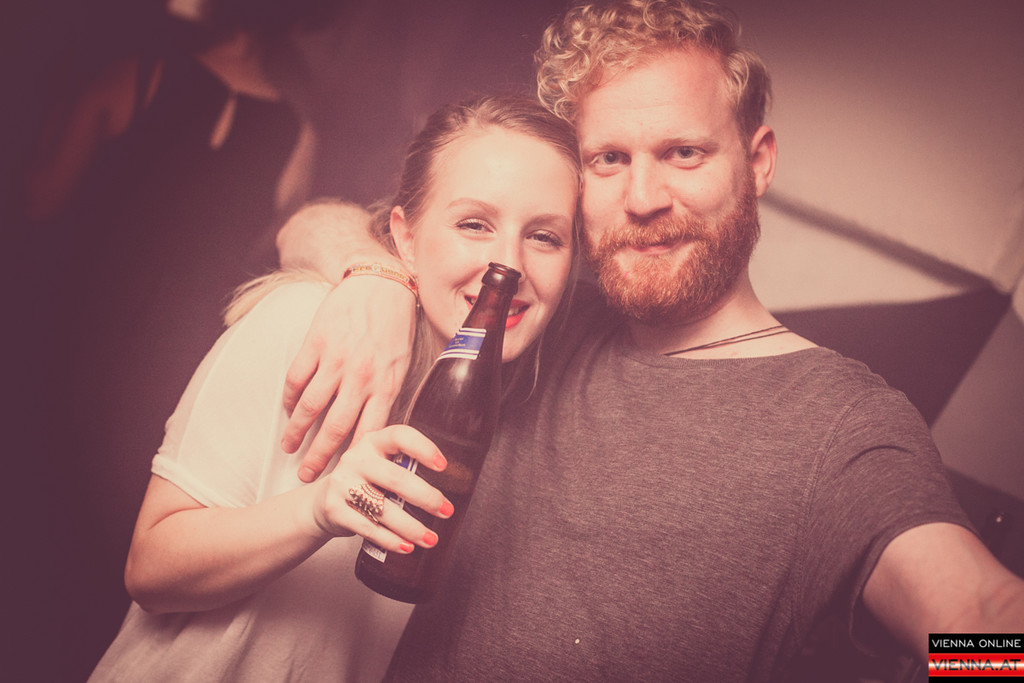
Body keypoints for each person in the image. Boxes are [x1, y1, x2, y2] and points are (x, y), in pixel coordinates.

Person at [275, 0, 1024, 680]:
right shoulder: (542, 318)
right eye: (609, 159)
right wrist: (377, 277)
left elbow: (979, 617)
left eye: (684, 153)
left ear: (758, 162)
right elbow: (307, 224)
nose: (642, 199)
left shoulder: (840, 422)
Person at [87, 94, 580, 682]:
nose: (509, 265)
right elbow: (149, 571)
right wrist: (318, 510)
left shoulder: (529, 407)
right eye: (473, 224)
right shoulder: (310, 324)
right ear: (405, 238)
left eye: (545, 236)